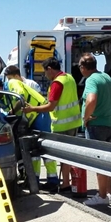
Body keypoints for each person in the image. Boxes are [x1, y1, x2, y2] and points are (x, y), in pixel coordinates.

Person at [24, 58, 82, 193]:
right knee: (68, 155)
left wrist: (32, 108)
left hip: (62, 125)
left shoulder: (57, 83)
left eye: (45, 71)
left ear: (50, 69)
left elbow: (51, 106)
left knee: (61, 156)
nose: (45, 75)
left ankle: (65, 183)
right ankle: (67, 183)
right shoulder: (69, 78)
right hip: (73, 123)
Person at [4, 65, 59, 189]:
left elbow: (21, 97)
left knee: (43, 148)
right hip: (37, 116)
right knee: (36, 150)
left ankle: (51, 181)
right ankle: (37, 180)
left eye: (9, 78)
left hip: (39, 116)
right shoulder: (20, 83)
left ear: (15, 76)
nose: (8, 81)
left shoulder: (14, 82)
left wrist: (11, 112)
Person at [79, 54, 111, 206]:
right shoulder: (105, 77)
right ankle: (109, 193)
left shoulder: (91, 80)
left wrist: (86, 117)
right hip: (109, 123)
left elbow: (91, 100)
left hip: (96, 125)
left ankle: (102, 196)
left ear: (83, 68)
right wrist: (109, 107)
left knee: (98, 161)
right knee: (107, 160)